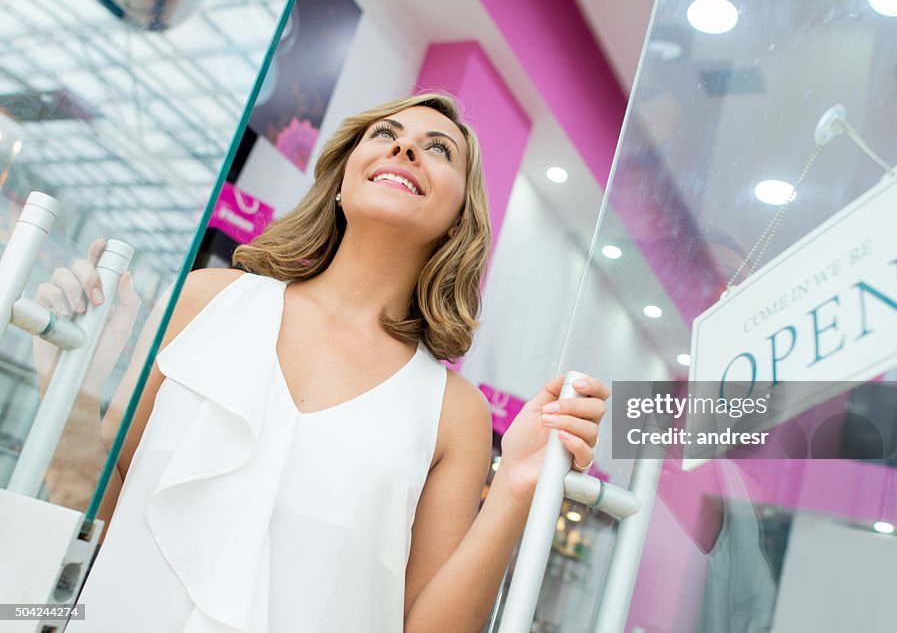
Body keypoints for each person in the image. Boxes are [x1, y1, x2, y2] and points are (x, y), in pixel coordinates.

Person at [37, 92, 608, 632]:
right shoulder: (207, 299)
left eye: (439, 149)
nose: (405, 148)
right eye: (385, 134)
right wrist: (66, 379)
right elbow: (91, 508)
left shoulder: (454, 413)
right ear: (341, 180)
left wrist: (512, 489)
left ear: (459, 218)